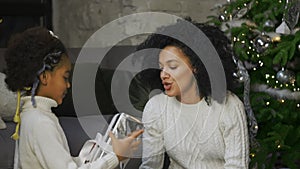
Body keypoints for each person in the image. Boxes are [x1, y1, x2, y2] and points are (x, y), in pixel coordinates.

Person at [4, 26, 143, 169]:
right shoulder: (41, 122)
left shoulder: (31, 116)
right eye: (65, 77)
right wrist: (116, 157)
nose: (68, 85)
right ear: (44, 77)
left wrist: (91, 152)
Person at [136, 19, 249, 169]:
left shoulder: (229, 106)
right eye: (161, 67)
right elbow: (150, 166)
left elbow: (237, 166)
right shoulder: (156, 107)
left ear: (196, 66)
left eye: (172, 66)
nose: (164, 74)